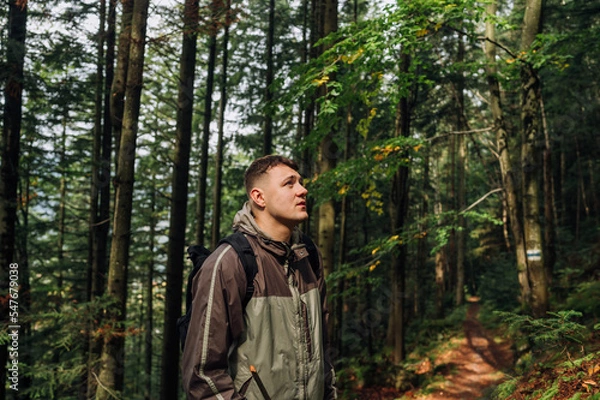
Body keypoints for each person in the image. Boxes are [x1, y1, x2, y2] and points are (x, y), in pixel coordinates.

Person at [181, 155, 337, 400]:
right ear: (259, 197)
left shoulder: (308, 255)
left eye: (301, 182)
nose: (303, 190)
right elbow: (203, 375)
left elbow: (323, 350)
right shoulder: (229, 263)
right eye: (290, 183)